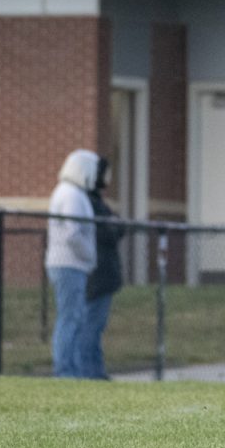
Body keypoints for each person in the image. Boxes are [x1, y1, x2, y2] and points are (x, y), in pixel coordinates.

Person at [45, 149, 99, 378]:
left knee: (75, 317)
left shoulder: (72, 193)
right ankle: (65, 370)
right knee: (69, 318)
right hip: (69, 265)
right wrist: (89, 256)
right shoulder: (70, 195)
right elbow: (73, 234)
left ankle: (73, 370)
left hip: (73, 265)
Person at [82, 157, 125, 381]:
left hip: (103, 274)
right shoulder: (89, 203)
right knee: (91, 325)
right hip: (97, 274)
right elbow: (108, 231)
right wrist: (114, 226)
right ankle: (89, 372)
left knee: (96, 326)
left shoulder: (97, 202)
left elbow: (118, 227)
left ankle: (96, 372)